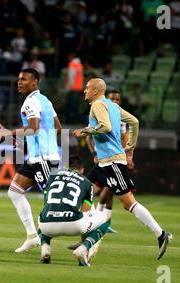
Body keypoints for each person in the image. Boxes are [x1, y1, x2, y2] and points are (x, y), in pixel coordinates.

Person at [72, 78, 172, 260]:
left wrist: (84, 131)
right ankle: (87, 239)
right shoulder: (112, 106)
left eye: (87, 88)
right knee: (83, 193)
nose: (84, 91)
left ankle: (161, 234)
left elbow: (105, 127)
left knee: (128, 203)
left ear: (95, 90)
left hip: (112, 162)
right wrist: (130, 147)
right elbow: (134, 121)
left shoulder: (97, 105)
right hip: (103, 162)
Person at [0, 68, 62, 253]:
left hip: (42, 160)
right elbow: (57, 127)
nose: (19, 82)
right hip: (36, 158)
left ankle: (87, 230)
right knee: (14, 192)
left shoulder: (31, 102)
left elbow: (34, 127)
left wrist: (9, 133)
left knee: (54, 202)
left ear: (35, 82)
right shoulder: (45, 100)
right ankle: (32, 236)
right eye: (18, 79)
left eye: (23, 79)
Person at [38, 156, 111, 266]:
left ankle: (45, 248)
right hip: (74, 225)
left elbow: (46, 204)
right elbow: (86, 211)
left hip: (47, 227)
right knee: (107, 219)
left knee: (42, 216)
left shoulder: (51, 177)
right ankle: (84, 248)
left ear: (65, 167)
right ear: (82, 170)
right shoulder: (86, 183)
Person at [85, 89, 131, 226]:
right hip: (104, 158)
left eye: (117, 99)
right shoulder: (99, 113)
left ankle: (102, 221)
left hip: (116, 159)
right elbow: (89, 135)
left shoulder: (121, 118)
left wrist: (126, 155)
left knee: (110, 190)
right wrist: (94, 154)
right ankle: (94, 219)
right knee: (93, 190)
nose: (115, 101)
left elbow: (123, 139)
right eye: (112, 99)